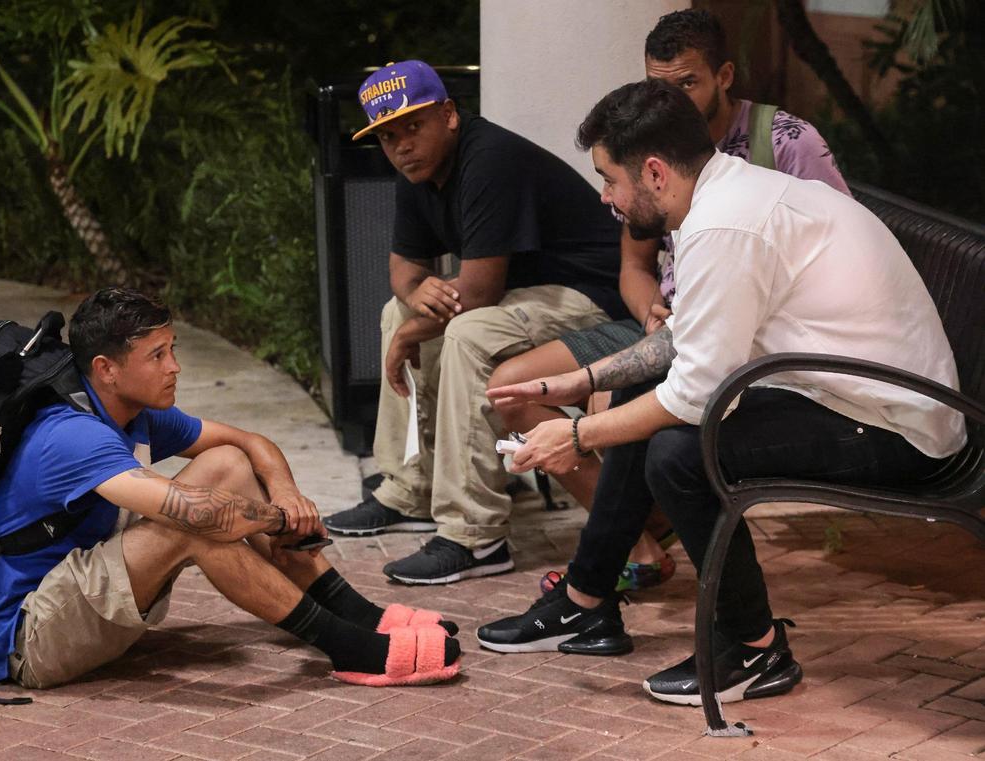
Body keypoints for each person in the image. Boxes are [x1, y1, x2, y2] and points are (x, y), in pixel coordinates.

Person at [476, 80, 965, 706]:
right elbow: (683, 338)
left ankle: (756, 650)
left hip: (900, 425)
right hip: (848, 393)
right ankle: (585, 603)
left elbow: (694, 398)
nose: (605, 198)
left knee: (678, 454)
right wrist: (585, 380)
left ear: (654, 173)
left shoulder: (724, 224)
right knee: (643, 403)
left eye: (609, 179)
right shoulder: (723, 195)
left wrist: (574, 433)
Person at [487, 8, 852, 604]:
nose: (604, 197)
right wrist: (610, 354)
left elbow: (698, 383)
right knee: (542, 390)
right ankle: (601, 586)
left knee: (664, 444)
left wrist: (578, 431)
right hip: (676, 327)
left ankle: (614, 593)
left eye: (687, 82)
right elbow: (636, 270)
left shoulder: (757, 171)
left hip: (773, 351)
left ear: (724, 75)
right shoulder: (675, 171)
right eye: (661, 85)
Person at [0, 288, 461, 691]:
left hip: (78, 594)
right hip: (29, 639)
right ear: (106, 369)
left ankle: (360, 616)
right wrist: (283, 520)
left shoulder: (132, 412)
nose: (174, 366)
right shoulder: (73, 435)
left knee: (226, 463)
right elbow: (197, 515)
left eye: (172, 349)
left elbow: (249, 443)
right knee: (192, 526)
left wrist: (286, 493)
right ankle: (347, 646)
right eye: (157, 355)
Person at [321, 60, 627, 585]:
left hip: (591, 295)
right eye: (388, 136)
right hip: (521, 296)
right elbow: (404, 266)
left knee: (467, 333)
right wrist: (416, 294)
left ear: (448, 114)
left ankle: (475, 536)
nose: (402, 145)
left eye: (413, 126)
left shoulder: (489, 159)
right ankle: (411, 490)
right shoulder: (417, 169)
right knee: (398, 310)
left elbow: (480, 292)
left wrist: (407, 336)